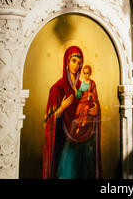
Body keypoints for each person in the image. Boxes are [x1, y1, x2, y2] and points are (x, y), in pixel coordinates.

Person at [43, 46, 102, 179]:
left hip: (82, 140)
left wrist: (96, 110)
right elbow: (48, 124)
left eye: (79, 62)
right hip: (64, 144)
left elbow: (92, 103)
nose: (77, 65)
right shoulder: (57, 89)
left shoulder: (84, 86)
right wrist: (61, 108)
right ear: (66, 63)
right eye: (74, 60)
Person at [73, 64, 98, 135]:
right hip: (82, 100)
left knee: (86, 108)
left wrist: (91, 94)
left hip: (89, 101)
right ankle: (78, 126)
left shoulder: (92, 83)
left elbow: (95, 94)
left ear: (90, 73)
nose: (86, 75)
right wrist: (76, 91)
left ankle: (83, 123)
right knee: (78, 111)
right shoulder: (82, 83)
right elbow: (80, 94)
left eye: (87, 73)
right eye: (84, 73)